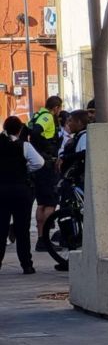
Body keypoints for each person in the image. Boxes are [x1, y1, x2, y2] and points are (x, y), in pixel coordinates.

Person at [0, 116, 44, 274]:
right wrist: (25, 170)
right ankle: (27, 264)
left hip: (1, 190)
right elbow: (39, 162)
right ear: (19, 130)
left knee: (1, 228)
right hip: (20, 190)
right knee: (22, 229)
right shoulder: (23, 145)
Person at [28, 96, 63, 252]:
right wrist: (47, 150)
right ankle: (46, 239)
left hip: (39, 165)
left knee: (41, 203)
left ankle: (42, 239)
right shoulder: (47, 117)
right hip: (47, 166)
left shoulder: (37, 115)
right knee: (50, 203)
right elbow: (35, 133)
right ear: (56, 108)